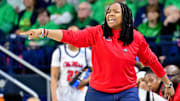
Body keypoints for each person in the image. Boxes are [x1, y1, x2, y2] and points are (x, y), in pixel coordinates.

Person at [20, 2, 174, 101]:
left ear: (125, 16)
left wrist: (167, 83)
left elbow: (152, 61)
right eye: (108, 12)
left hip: (127, 92)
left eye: (115, 12)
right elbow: (71, 36)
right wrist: (44, 32)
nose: (110, 14)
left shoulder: (137, 37)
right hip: (98, 92)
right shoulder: (97, 32)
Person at [50, 26, 92, 101]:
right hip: (62, 92)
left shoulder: (87, 52)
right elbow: (54, 77)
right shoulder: (59, 52)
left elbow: (95, 72)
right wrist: (54, 97)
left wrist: (86, 80)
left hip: (80, 92)